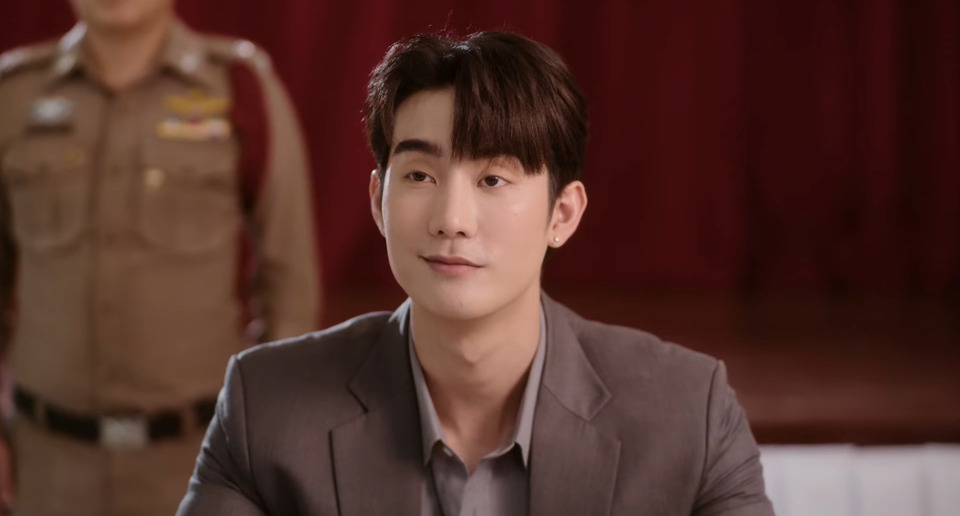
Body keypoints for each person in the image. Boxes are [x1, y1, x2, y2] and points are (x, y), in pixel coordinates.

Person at [178, 31, 773, 516]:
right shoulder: (268, 407)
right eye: (420, 176)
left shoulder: (688, 414)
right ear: (377, 202)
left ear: (562, 215)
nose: (452, 220)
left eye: (493, 179)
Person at [0, 0, 320, 514]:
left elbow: (290, 283)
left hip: (201, 464)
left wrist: (275, 434)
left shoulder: (239, 86)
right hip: (47, 470)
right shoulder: (13, 94)